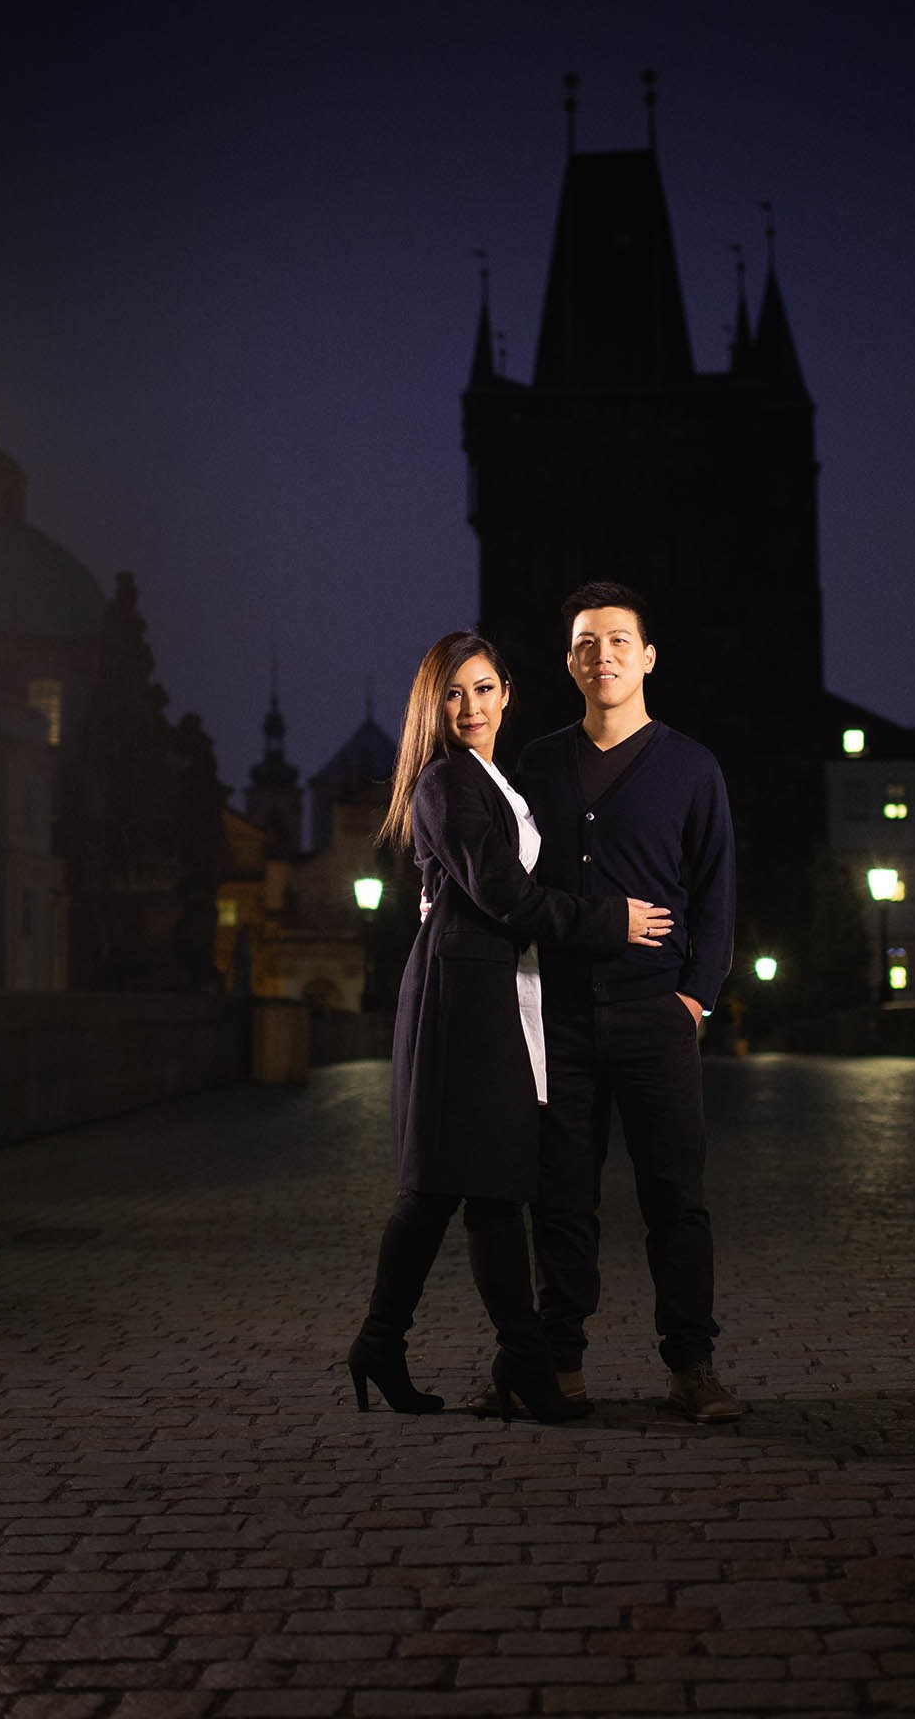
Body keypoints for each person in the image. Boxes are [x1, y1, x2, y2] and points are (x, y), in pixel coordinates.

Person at [346, 630, 672, 1423]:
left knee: (448, 1190)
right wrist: (608, 923)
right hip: (465, 997)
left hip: (494, 989)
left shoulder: (490, 780)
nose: (471, 707)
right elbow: (505, 897)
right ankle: (519, 1361)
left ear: (506, 695)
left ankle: (385, 1346)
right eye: (454, 693)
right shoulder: (443, 784)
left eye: (484, 689)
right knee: (477, 1185)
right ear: (435, 704)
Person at [467, 581, 744, 1423]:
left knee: (674, 1198)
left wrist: (694, 999)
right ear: (570, 663)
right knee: (561, 1200)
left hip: (656, 1014)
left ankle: (691, 1365)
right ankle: (560, 1366)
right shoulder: (538, 766)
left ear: (647, 656)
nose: (604, 655)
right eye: (587, 643)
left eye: (619, 640)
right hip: (560, 1020)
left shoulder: (692, 768)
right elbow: (507, 885)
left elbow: (717, 893)